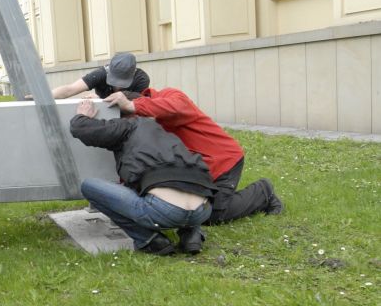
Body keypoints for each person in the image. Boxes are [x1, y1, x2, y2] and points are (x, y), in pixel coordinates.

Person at [104, 87, 283, 224]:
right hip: (201, 167)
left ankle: (263, 191)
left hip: (223, 160)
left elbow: (176, 106)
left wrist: (133, 106)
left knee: (213, 214)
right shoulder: (145, 119)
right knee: (193, 208)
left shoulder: (169, 96)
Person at [70, 99, 217, 255]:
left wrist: (82, 117)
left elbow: (83, 129)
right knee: (183, 180)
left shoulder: (130, 125)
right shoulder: (165, 134)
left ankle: (150, 240)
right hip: (203, 210)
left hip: (164, 210)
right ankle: (192, 236)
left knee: (89, 187)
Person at [51, 52, 150, 99]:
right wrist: (40, 98)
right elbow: (70, 89)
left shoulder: (141, 79)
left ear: (133, 72)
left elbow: (134, 106)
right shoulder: (100, 74)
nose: (118, 86)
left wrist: (101, 100)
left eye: (122, 81)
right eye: (115, 80)